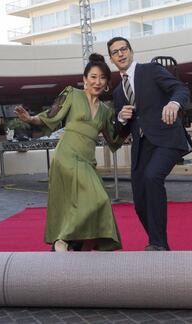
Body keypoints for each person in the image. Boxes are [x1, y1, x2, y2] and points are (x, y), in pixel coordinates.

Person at [14, 53, 124, 252]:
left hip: (87, 161)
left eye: (102, 78)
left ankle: (79, 247)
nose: (97, 82)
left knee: (95, 201)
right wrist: (30, 119)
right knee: (98, 198)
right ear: (84, 79)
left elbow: (115, 139)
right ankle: (62, 239)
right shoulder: (73, 94)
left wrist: (128, 122)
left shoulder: (106, 111)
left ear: (107, 83)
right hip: (66, 155)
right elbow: (51, 116)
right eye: (93, 77)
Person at [107, 37, 192, 251]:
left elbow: (180, 89)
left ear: (131, 51)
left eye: (124, 49)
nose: (121, 54)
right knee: (140, 201)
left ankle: (157, 243)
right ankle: (159, 242)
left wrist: (174, 103)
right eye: (115, 52)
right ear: (111, 59)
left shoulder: (151, 70)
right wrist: (121, 118)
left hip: (167, 139)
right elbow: (122, 130)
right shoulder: (118, 92)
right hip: (142, 146)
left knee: (152, 176)